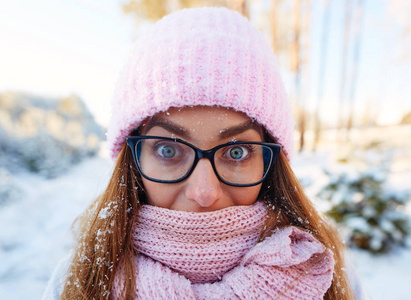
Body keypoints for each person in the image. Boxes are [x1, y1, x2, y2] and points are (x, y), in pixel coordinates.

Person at [43, 7, 360, 300]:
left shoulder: (323, 274)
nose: (204, 193)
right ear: (132, 163)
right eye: (168, 150)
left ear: (271, 161)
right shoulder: (80, 281)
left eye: (236, 152)